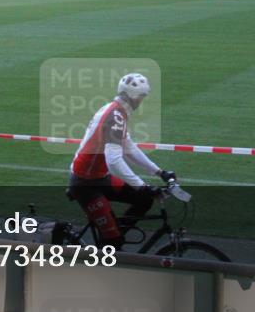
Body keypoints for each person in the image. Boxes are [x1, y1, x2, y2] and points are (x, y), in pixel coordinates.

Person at [67, 72, 175, 248]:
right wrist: (143, 186)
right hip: (85, 184)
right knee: (114, 240)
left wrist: (159, 172)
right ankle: (110, 242)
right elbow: (114, 161)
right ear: (133, 97)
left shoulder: (116, 110)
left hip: (99, 177)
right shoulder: (116, 116)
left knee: (144, 200)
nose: (142, 101)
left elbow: (129, 147)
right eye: (141, 96)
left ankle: (111, 235)